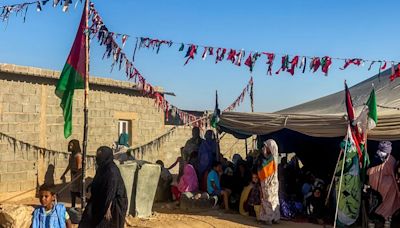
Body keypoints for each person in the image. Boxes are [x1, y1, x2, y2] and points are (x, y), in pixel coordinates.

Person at [79, 146, 128, 228]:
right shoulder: (102, 167)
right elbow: (100, 180)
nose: (98, 158)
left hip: (113, 205)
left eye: (100, 156)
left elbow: (111, 191)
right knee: (87, 220)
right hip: (100, 199)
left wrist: (107, 208)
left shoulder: (112, 170)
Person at [367, 141, 400, 227]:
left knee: (376, 206)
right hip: (381, 188)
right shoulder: (388, 159)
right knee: (386, 205)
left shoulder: (380, 158)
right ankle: (385, 221)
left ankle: (377, 222)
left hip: (379, 188)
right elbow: (394, 176)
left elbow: (369, 173)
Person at [257, 139, 280, 225]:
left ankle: (269, 218)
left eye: (266, 146)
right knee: (269, 199)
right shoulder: (266, 157)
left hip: (270, 183)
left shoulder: (271, 158)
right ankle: (271, 217)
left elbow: (264, 170)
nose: (264, 148)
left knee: (270, 200)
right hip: (268, 183)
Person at [60, 139, 82, 209]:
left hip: (77, 175)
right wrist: (64, 174)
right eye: (69, 145)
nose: (70, 146)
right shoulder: (72, 155)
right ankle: (73, 206)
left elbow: (79, 167)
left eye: (72, 145)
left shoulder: (78, 155)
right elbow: (69, 165)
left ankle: (85, 202)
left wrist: (77, 176)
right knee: (72, 191)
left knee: (76, 191)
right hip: (73, 174)